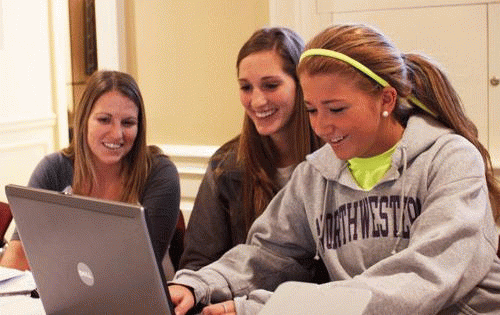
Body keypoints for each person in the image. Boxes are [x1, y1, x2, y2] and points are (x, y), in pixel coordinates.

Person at [168, 23, 500, 315]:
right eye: (312, 110)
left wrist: (265, 308)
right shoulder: (316, 175)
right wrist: (196, 284)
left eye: (337, 109)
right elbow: (267, 253)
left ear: (386, 100)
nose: (322, 126)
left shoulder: (451, 159)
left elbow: (423, 278)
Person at [0, 70, 180, 271]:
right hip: (66, 294)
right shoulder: (53, 169)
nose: (117, 134)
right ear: (84, 120)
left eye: (128, 123)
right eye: (104, 119)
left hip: (140, 298)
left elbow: (144, 267)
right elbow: (18, 253)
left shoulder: (158, 173)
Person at [178, 27, 322, 271]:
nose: (257, 101)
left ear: (301, 85)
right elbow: (198, 264)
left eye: (271, 85)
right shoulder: (226, 164)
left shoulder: (335, 155)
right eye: (246, 87)